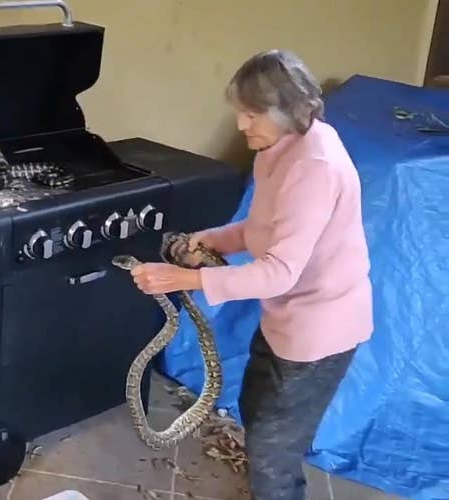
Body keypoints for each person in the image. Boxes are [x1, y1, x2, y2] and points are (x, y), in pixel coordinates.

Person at [130, 49, 373, 500]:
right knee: (254, 412)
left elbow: (279, 272)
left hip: (320, 332)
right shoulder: (275, 147)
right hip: (286, 319)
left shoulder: (315, 166)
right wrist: (214, 239)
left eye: (252, 114)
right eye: (240, 112)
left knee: (271, 455)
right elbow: (264, 226)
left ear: (288, 110)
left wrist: (183, 280)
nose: (241, 125)